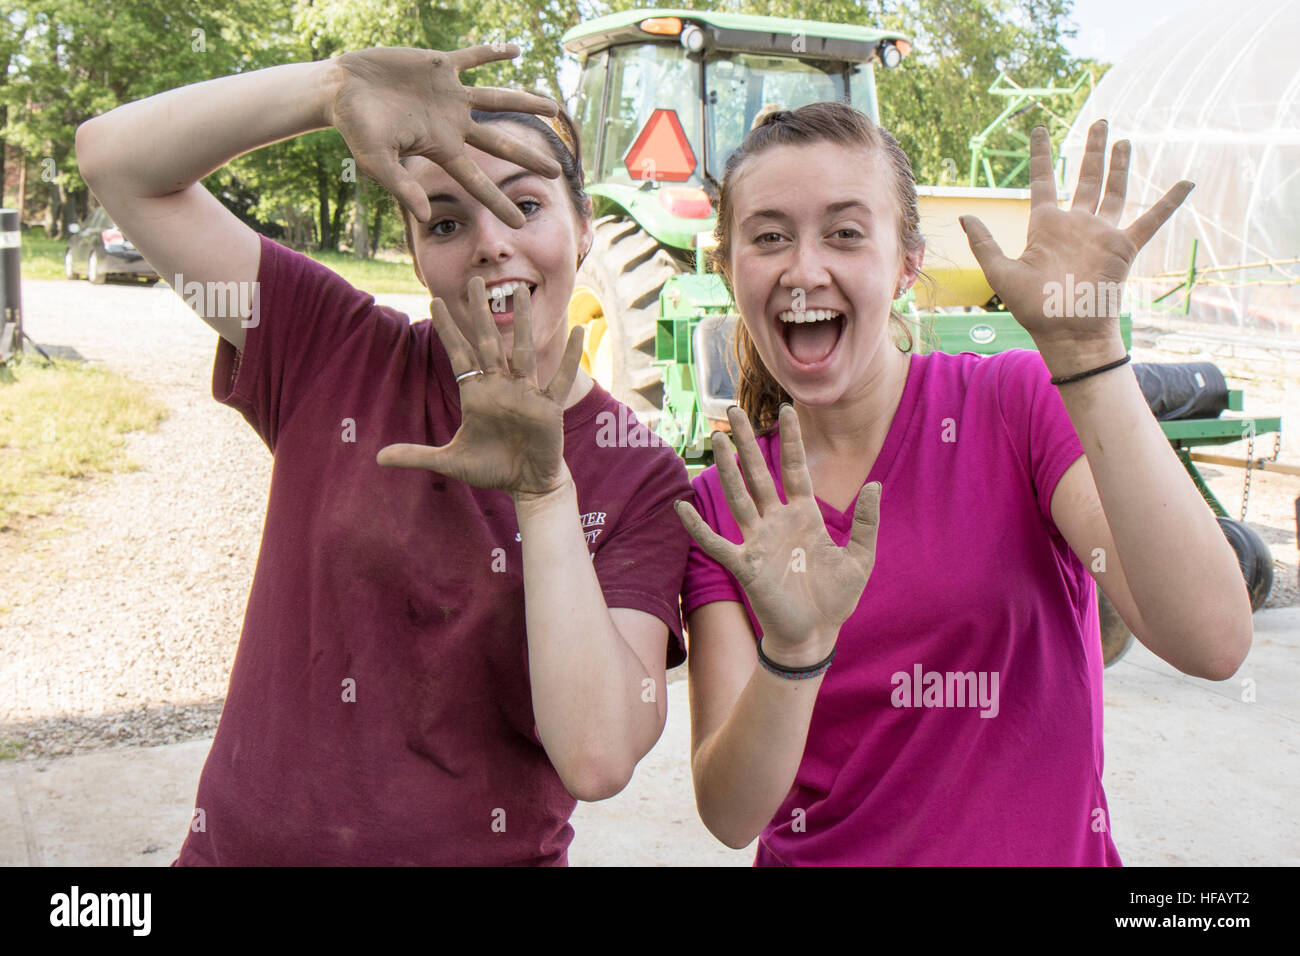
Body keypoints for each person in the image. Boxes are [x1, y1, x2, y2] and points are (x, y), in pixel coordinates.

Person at [75, 44, 692, 865]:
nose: (489, 243)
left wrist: (543, 493)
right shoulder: (332, 349)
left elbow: (597, 754)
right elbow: (115, 162)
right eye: (445, 219)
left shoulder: (640, 474)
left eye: (525, 206)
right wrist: (330, 89)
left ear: (583, 228)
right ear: (412, 251)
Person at [674, 102, 1253, 866]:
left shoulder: (1012, 405)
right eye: (770, 237)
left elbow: (1211, 641)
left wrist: (1088, 352)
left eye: (845, 233)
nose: (804, 270)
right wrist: (794, 652)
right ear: (727, 266)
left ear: (907, 262)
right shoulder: (729, 503)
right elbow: (730, 814)